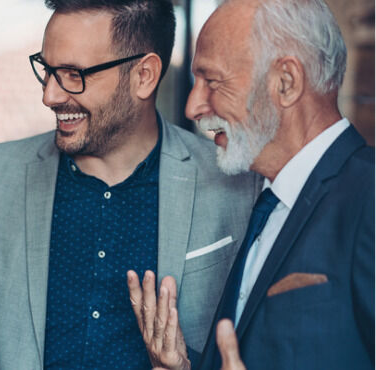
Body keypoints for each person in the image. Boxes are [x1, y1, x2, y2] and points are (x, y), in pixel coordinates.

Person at [0, 0, 258, 368]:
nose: (50, 95)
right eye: (47, 70)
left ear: (144, 75)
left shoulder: (235, 183)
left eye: (73, 75)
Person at [128, 0, 374, 369]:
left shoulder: (368, 196)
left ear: (286, 83)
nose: (193, 106)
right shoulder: (262, 200)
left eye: (212, 81)